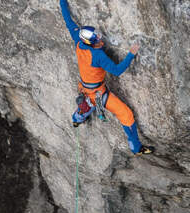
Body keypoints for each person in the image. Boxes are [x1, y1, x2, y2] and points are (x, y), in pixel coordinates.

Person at [60, 0, 154, 155]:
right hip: (99, 93)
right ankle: (136, 148)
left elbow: (67, 19)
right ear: (90, 43)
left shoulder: (78, 39)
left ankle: (77, 119)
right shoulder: (98, 55)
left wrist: (62, 2)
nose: (101, 41)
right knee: (127, 115)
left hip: (85, 88)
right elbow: (117, 70)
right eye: (97, 40)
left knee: (86, 105)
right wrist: (131, 54)